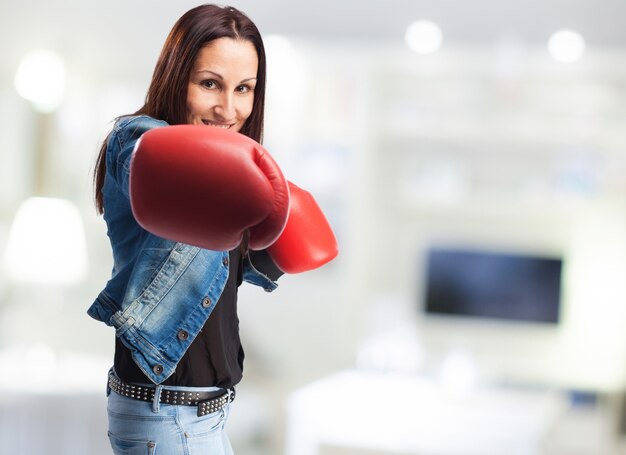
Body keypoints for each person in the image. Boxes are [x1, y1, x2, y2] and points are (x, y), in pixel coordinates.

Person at [87, 4, 338, 454]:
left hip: (200, 415)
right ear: (175, 76)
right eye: (209, 84)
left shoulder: (230, 179)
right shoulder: (136, 141)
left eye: (244, 89)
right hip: (166, 415)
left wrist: (274, 229)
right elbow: (148, 157)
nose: (229, 108)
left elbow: (230, 268)